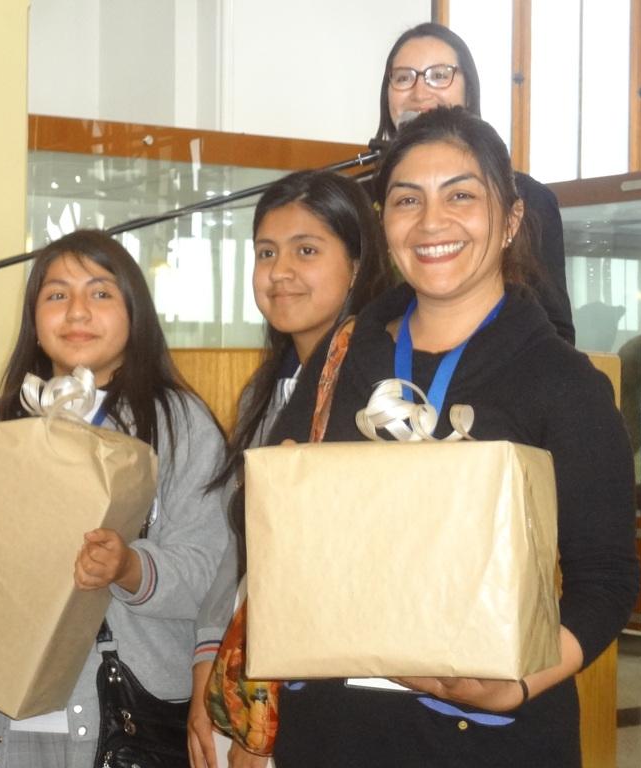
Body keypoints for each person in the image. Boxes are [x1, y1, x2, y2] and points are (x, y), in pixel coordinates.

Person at [271, 107, 640, 767]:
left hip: (484, 741)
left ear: (511, 218)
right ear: (385, 223)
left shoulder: (562, 383)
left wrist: (520, 682)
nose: (432, 223)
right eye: (407, 200)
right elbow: (269, 535)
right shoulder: (341, 359)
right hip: (333, 733)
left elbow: (607, 578)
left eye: (461, 196)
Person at [0, 229, 229, 768]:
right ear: (35, 317)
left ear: (135, 313)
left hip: (128, 712)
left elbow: (207, 571)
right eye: (57, 294)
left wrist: (128, 567)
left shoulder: (178, 423)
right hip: (1, 718)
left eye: (100, 293)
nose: (77, 311)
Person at [186, 170, 394, 768]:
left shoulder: (369, 392)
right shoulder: (273, 388)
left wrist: (268, 722)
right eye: (266, 253)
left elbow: (341, 572)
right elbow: (244, 552)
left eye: (307, 250)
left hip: (317, 696)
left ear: (357, 262)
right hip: (250, 664)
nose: (280, 272)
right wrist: (209, 666)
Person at [374, 22, 575, 344]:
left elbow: (556, 330)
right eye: (403, 77)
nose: (420, 91)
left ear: (469, 91)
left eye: (439, 75)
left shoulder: (527, 197)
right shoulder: (361, 196)